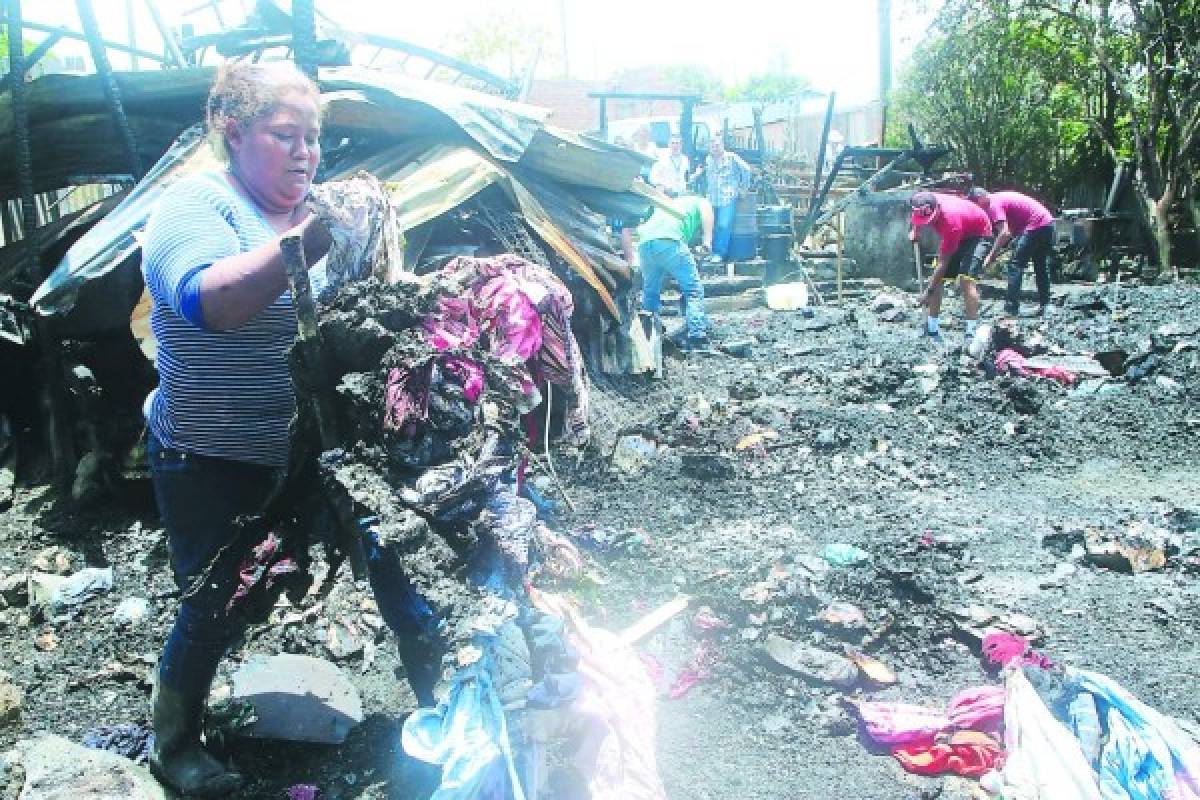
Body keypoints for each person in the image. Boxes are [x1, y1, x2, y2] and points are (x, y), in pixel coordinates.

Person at [141, 61, 440, 796]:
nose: (306, 152)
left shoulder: (322, 213)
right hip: (215, 453)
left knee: (403, 571)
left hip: (330, 447)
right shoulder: (193, 207)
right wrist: (309, 243)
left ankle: (447, 711)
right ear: (233, 133)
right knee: (215, 602)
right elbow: (207, 302)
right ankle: (175, 745)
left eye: (313, 137)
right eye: (286, 135)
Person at [909, 191, 994, 343]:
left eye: (930, 219)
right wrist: (915, 231)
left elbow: (943, 264)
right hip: (963, 226)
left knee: (966, 280)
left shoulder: (950, 222)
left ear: (937, 210)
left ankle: (970, 332)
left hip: (979, 233)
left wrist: (928, 292)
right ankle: (932, 329)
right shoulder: (921, 200)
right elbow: (916, 216)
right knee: (937, 280)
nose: (928, 223)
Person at [637, 194, 714, 349]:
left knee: (650, 291)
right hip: (670, 241)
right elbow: (707, 216)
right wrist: (707, 242)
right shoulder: (702, 202)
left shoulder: (670, 204)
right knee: (693, 290)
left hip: (645, 244)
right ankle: (697, 336)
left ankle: (647, 334)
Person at [967, 187, 1056, 316]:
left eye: (976, 205)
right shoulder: (998, 198)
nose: (979, 210)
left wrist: (991, 256)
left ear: (981, 198)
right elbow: (1011, 227)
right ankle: (1046, 304)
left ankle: (1011, 307)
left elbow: (1004, 233)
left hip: (1036, 225)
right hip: (1047, 224)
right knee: (1040, 265)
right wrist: (1016, 238)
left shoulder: (992, 204)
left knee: (1015, 265)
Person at [693, 137, 753, 265]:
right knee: (711, 226)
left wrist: (744, 188)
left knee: (723, 225)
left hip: (728, 197)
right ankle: (709, 252)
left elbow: (746, 169)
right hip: (712, 198)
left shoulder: (732, 157)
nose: (715, 148)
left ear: (722, 145)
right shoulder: (708, 160)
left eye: (717, 145)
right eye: (712, 146)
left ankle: (719, 253)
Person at [649, 132, 690, 196]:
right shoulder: (661, 158)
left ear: (681, 145)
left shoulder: (685, 159)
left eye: (677, 143)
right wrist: (662, 186)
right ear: (668, 144)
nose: (675, 146)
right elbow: (653, 177)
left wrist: (696, 174)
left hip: (681, 194)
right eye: (672, 143)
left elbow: (686, 178)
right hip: (666, 194)